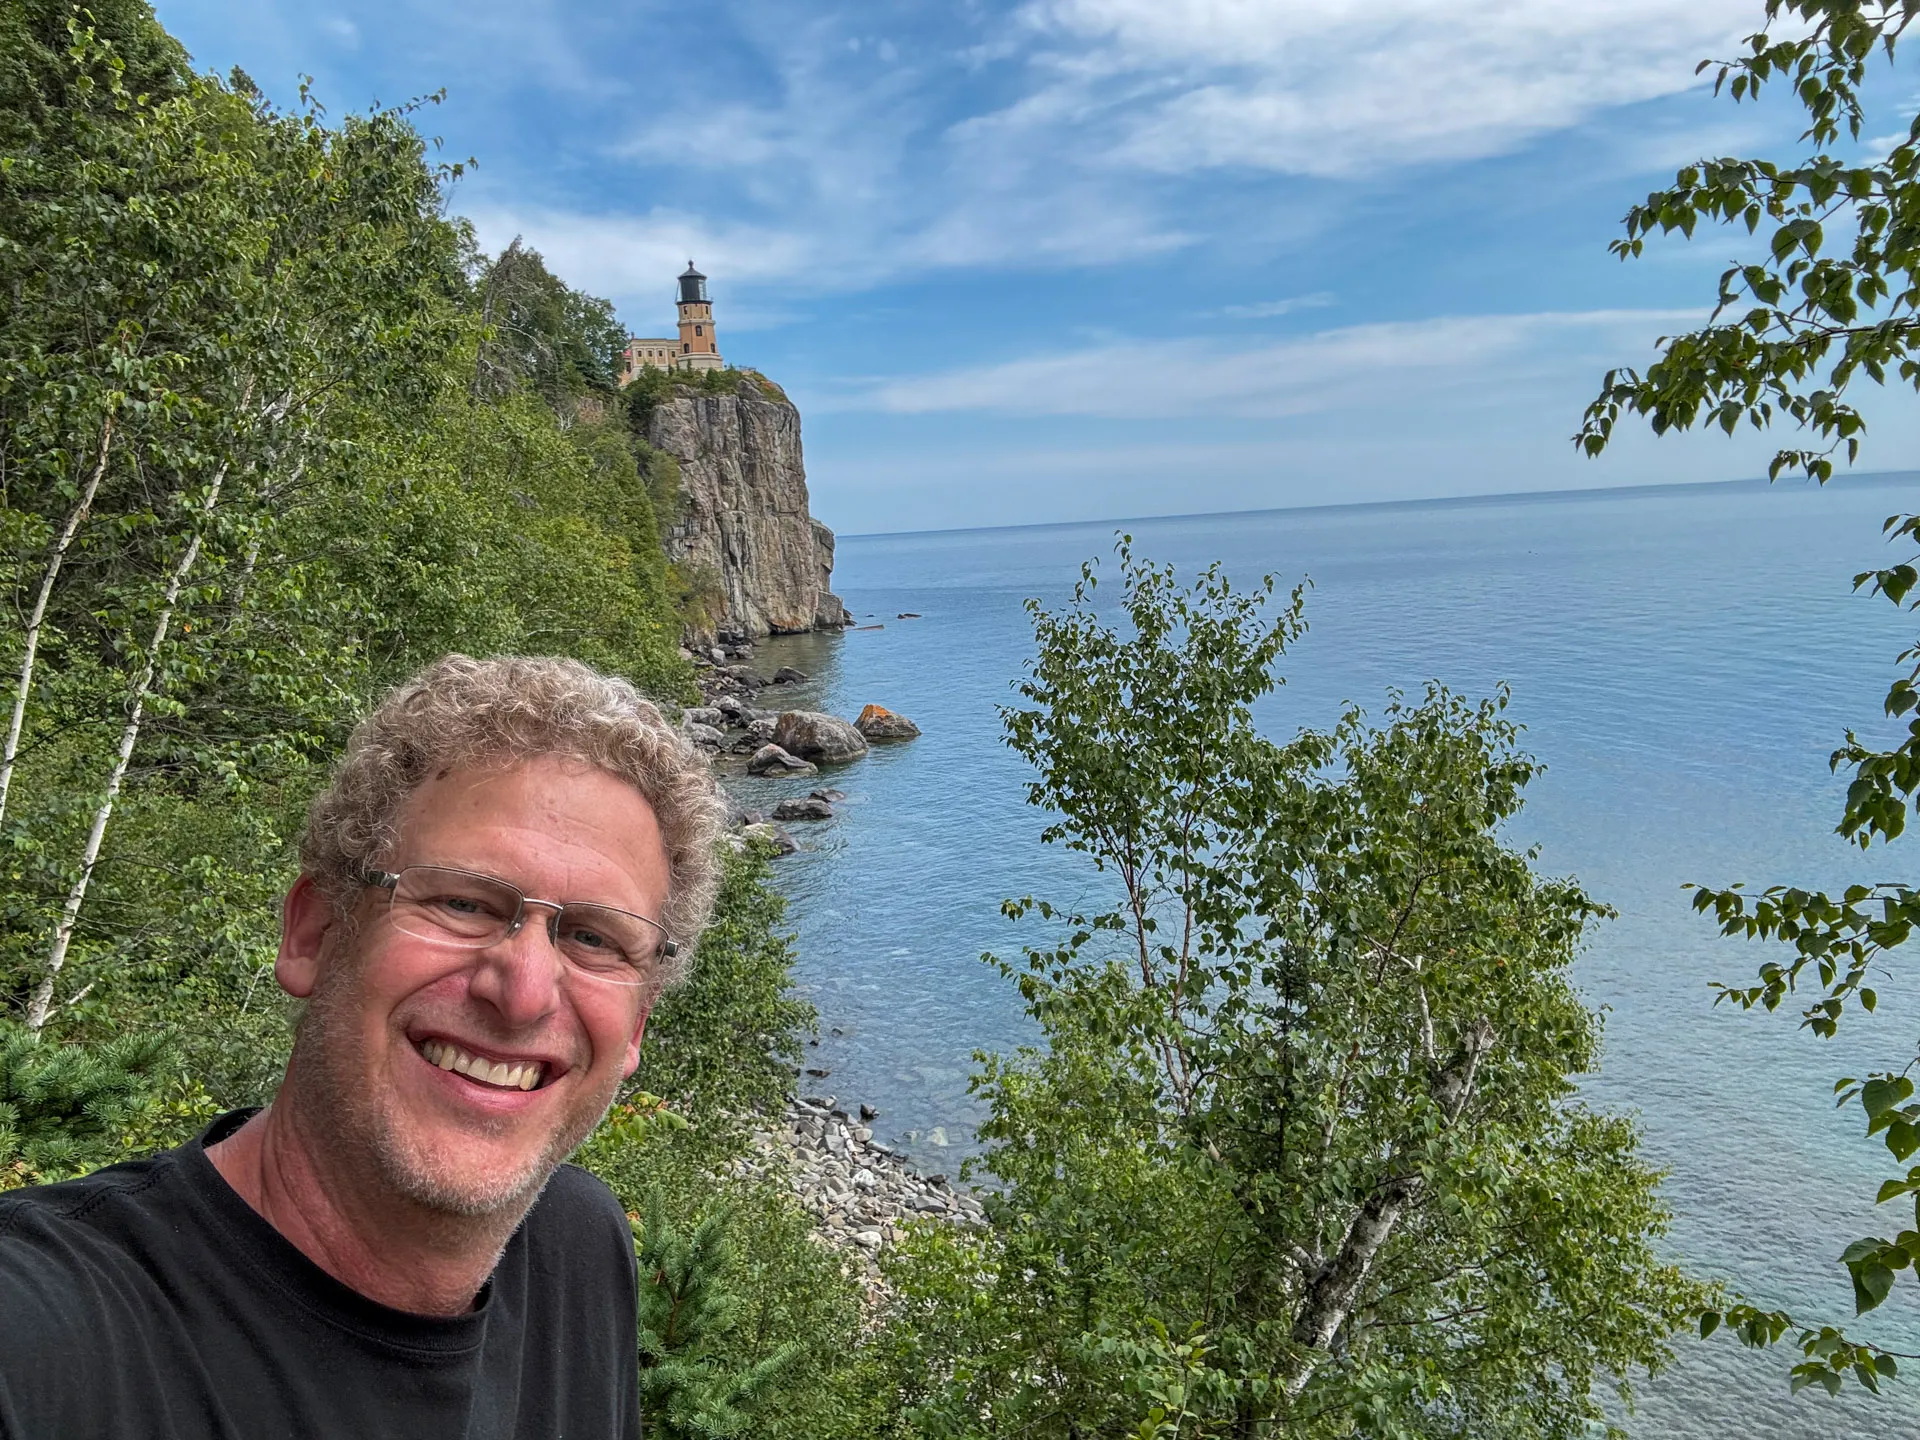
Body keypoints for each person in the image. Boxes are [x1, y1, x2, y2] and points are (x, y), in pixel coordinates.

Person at [0, 654, 726, 1438]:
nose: (522, 993)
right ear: (314, 932)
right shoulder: (52, 1332)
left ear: (638, 1027)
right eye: (462, 902)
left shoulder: (576, 1253)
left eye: (592, 937)